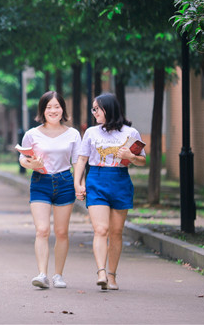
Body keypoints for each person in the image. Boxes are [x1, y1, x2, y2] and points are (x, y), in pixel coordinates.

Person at [74, 92, 146, 291]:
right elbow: (81, 159)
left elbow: (142, 160)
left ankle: (112, 276)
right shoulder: (91, 132)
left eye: (97, 108)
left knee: (116, 232)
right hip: (96, 179)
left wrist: (130, 155)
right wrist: (77, 183)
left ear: (109, 109)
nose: (94, 112)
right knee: (101, 229)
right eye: (93, 109)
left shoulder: (131, 133)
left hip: (120, 180)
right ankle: (101, 272)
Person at [18, 91, 81, 289]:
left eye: (57, 106)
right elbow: (23, 158)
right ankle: (42, 274)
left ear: (63, 109)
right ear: (42, 111)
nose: (53, 110)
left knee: (61, 232)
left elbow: (78, 160)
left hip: (64, 181)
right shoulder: (32, 134)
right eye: (49, 107)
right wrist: (31, 164)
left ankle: (58, 275)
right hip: (40, 182)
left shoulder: (73, 134)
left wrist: (79, 183)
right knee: (42, 230)